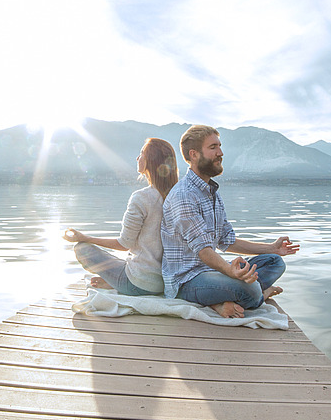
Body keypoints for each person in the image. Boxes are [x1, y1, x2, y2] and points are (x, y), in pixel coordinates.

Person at [161, 124, 300, 318]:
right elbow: (204, 251)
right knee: (250, 291)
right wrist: (229, 271)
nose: (220, 153)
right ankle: (255, 296)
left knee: (275, 262)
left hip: (212, 271)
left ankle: (231, 296)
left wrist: (272, 248)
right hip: (187, 281)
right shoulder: (184, 195)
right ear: (194, 155)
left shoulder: (212, 194)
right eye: (213, 148)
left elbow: (227, 241)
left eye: (219, 146)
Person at [64, 138, 179, 296]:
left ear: (151, 161)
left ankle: (116, 283)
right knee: (123, 261)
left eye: (142, 153)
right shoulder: (177, 196)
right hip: (165, 282)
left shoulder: (141, 198)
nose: (137, 158)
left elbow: (124, 244)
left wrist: (85, 237)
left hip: (139, 284)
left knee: (82, 249)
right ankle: (113, 280)